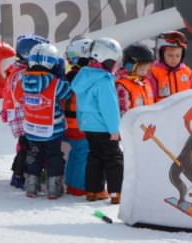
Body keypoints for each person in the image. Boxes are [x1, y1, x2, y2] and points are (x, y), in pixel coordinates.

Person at [71, 37, 124, 204]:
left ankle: (94, 191)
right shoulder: (104, 81)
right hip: (103, 127)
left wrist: (82, 124)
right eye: (113, 62)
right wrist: (114, 130)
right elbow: (109, 109)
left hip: (88, 126)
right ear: (106, 60)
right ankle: (117, 193)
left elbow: (80, 104)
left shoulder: (83, 75)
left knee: (95, 157)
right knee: (114, 158)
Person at [20, 43, 73, 199]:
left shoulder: (24, 80)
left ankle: (31, 186)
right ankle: (53, 188)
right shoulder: (55, 83)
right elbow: (68, 93)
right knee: (54, 156)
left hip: (31, 128)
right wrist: (61, 75)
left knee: (34, 155)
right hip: (51, 130)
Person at [2, 34, 48, 189]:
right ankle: (21, 175)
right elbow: (21, 95)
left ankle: (19, 173)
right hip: (21, 113)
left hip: (16, 112)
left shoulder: (17, 69)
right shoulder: (22, 73)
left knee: (25, 145)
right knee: (28, 145)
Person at [62, 37, 93, 196]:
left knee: (76, 153)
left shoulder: (69, 75)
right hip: (80, 124)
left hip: (69, 123)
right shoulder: (84, 76)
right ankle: (78, 186)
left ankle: (71, 184)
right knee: (82, 153)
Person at [146, 31, 192, 101]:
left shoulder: (188, 73)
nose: (174, 59)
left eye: (177, 56)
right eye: (170, 55)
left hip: (185, 109)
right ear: (161, 55)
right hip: (163, 110)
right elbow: (150, 97)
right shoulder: (153, 73)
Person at [116, 42, 156, 114]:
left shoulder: (145, 82)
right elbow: (123, 111)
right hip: (132, 123)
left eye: (147, 69)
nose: (145, 73)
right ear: (130, 66)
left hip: (147, 123)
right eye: (142, 69)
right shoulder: (123, 86)